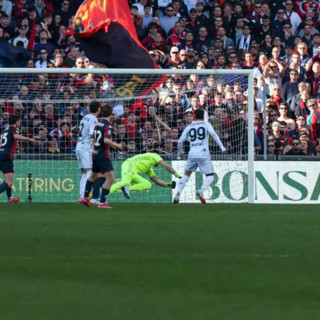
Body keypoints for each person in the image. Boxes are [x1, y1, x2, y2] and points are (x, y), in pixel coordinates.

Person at [173, 109, 227, 204]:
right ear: (203, 116)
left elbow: (180, 141)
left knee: (186, 174)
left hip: (192, 152)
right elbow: (214, 134)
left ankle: (177, 194)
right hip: (203, 152)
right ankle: (201, 190)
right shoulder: (206, 124)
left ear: (194, 116)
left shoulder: (189, 126)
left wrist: (180, 153)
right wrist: (222, 147)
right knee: (210, 176)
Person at [79, 105, 122, 209]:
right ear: (111, 114)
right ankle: (102, 202)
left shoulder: (97, 123)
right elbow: (106, 140)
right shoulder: (108, 125)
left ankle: (84, 197)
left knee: (93, 176)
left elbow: (93, 139)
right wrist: (117, 145)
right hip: (103, 155)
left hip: (95, 153)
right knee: (110, 178)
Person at [109, 152, 181, 199]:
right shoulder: (155, 156)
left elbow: (157, 181)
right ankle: (104, 193)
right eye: (159, 163)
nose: (158, 165)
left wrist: (169, 185)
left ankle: (128, 188)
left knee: (148, 184)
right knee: (125, 182)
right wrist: (176, 174)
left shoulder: (149, 168)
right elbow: (165, 165)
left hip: (133, 172)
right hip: (129, 164)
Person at [0, 114, 37, 203]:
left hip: (1, 154)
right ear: (16, 122)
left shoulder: (4, 131)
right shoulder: (13, 129)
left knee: (9, 176)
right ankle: (10, 198)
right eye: (19, 121)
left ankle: (10, 198)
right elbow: (15, 136)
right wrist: (29, 139)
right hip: (6, 157)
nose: (20, 123)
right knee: (9, 182)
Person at [76, 101, 100, 203]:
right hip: (86, 147)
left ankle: (82, 196)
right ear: (99, 109)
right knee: (90, 172)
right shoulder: (93, 119)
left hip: (79, 146)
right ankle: (84, 197)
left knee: (85, 173)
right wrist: (97, 146)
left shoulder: (84, 117)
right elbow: (92, 134)